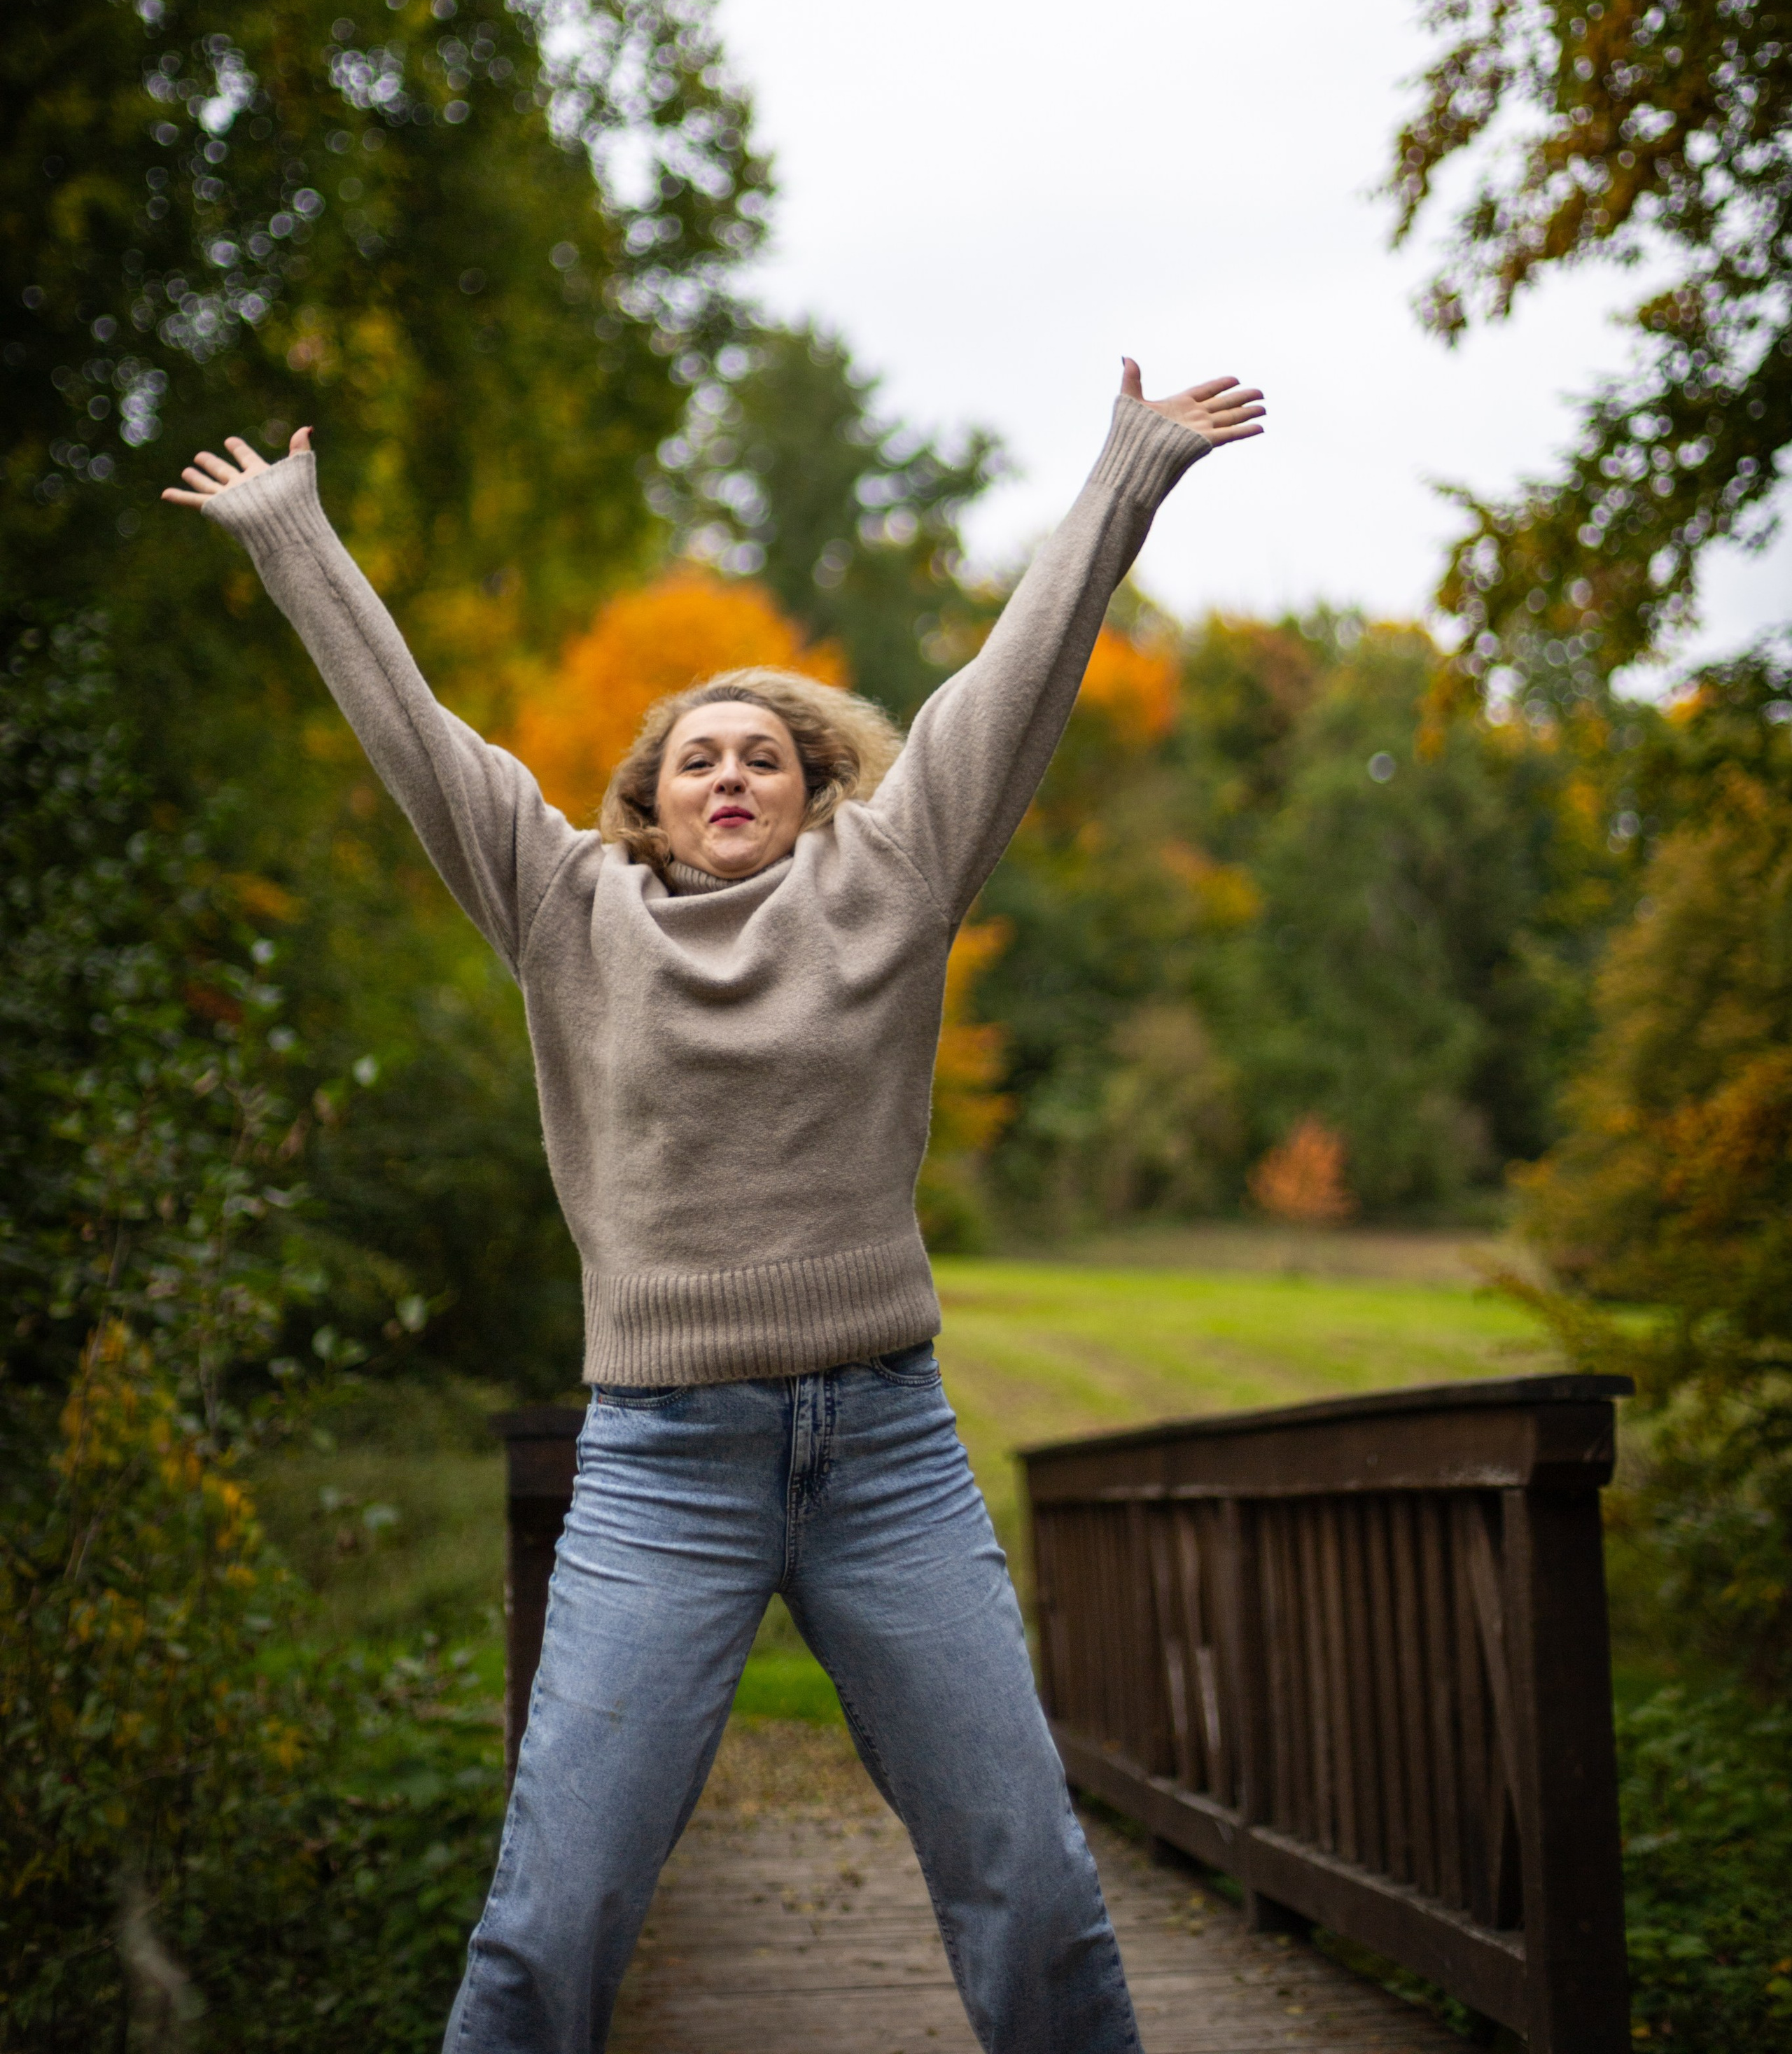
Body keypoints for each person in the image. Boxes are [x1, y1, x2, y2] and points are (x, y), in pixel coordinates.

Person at [164, 357, 1266, 2054]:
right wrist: (289, 536)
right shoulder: (563, 907)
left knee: (1029, 1882)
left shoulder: (888, 880)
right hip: (662, 1463)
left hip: (883, 1451)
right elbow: (416, 741)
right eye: (697, 757)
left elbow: (1009, 684)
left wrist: (1131, 472)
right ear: (646, 798)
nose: (731, 772)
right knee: (554, 1914)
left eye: (764, 753)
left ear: (816, 789)